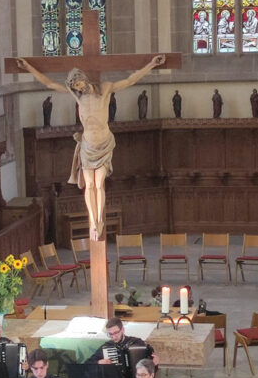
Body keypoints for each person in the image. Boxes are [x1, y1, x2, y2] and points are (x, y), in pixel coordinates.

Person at [15, 55, 164, 240]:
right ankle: (93, 221)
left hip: (103, 145)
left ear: (83, 78)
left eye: (79, 83)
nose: (79, 88)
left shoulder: (106, 88)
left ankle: (100, 219)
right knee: (89, 186)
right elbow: (49, 84)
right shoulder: (77, 97)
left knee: (99, 184)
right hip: (87, 146)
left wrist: (150, 64)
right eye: (75, 86)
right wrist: (28, 67)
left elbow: (130, 80)